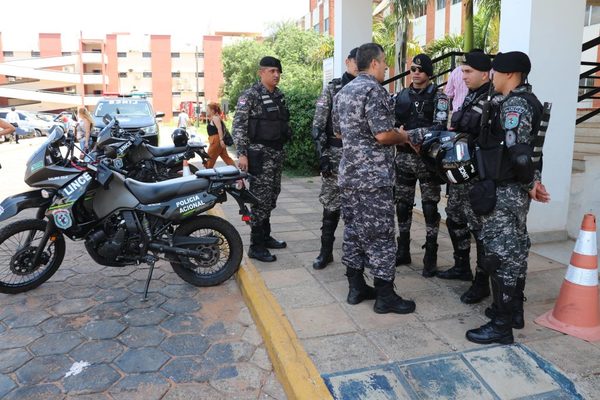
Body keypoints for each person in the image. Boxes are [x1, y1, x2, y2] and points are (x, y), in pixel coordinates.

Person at [465, 51, 550, 345]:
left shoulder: (514, 104)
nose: (492, 77)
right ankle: (513, 312)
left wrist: (528, 182)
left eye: (496, 72)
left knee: (499, 257)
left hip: (505, 192)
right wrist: (531, 182)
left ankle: (501, 326)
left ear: (510, 74)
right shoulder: (530, 100)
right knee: (514, 252)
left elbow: (519, 152)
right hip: (513, 190)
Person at [333, 42, 416, 314]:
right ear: (375, 63)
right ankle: (385, 296)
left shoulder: (343, 92)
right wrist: (402, 136)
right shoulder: (374, 90)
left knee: (354, 231)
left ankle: (356, 288)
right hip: (373, 179)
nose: (386, 67)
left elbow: (338, 132)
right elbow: (383, 134)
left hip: (349, 176)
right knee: (380, 235)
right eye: (384, 62)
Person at [436, 51, 494, 307]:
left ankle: (481, 283)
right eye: (463, 70)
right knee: (455, 219)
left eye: (468, 71)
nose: (463, 76)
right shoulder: (472, 96)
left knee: (479, 230)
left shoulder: (493, 98)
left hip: (478, 177)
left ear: (485, 73)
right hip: (461, 173)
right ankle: (462, 266)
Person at [232, 56, 292, 262]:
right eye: (272, 71)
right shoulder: (250, 95)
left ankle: (265, 237)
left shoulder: (279, 96)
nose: (276, 75)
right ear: (261, 73)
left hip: (276, 154)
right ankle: (255, 246)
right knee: (260, 200)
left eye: (278, 72)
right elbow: (239, 126)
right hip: (258, 154)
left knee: (272, 195)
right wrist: (242, 154)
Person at [394, 54, 449, 277]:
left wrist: (409, 135)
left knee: (429, 207)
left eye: (420, 69)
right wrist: (406, 138)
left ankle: (430, 254)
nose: (415, 73)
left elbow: (439, 127)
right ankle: (403, 248)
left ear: (429, 73)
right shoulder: (400, 96)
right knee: (402, 204)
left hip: (428, 160)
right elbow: (392, 124)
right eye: (412, 69)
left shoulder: (440, 97)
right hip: (404, 158)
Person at [311, 47, 358, 270]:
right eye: (355, 61)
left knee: (359, 209)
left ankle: (358, 256)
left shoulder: (371, 88)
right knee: (331, 206)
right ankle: (325, 252)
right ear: (347, 62)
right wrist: (323, 157)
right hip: (336, 156)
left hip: (361, 160)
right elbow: (319, 125)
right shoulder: (333, 88)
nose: (358, 65)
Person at [444, 48, 484, 113]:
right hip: (477, 113)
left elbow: (448, 93)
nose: (464, 77)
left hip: (457, 113)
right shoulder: (487, 72)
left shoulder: (456, 71)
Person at [204, 102, 235, 169]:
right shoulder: (214, 118)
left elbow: (219, 129)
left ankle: (207, 174)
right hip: (216, 140)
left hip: (216, 141)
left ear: (212, 111)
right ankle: (236, 171)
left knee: (210, 158)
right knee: (226, 158)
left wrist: (221, 140)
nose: (206, 111)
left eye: (207, 110)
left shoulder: (215, 118)